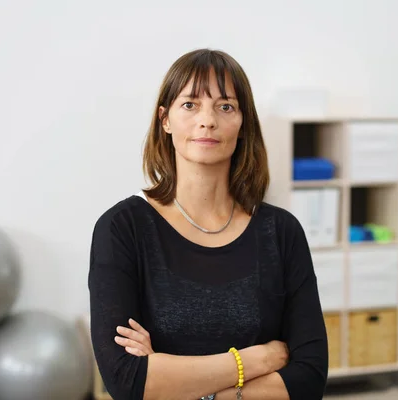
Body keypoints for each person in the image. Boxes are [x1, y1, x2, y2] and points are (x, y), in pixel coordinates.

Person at [88, 48, 328, 400]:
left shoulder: (281, 232)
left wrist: (181, 382)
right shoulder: (123, 228)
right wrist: (259, 358)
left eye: (225, 106)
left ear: (243, 123)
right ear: (165, 119)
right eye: (190, 105)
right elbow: (126, 380)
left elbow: (309, 378)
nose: (208, 120)